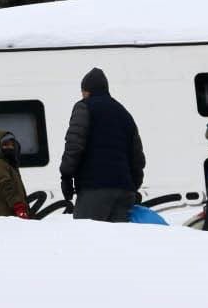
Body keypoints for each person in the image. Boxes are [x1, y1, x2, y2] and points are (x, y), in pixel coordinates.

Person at [59, 68, 146, 222]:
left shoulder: (84, 107)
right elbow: (137, 158)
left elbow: (74, 146)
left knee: (88, 235)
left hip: (94, 190)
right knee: (119, 237)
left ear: (87, 90)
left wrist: (66, 177)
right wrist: (133, 186)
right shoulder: (124, 113)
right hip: (124, 191)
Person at [0, 129, 30, 218]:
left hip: (10, 216)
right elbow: (5, 185)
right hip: (4, 217)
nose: (10, 147)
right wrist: (18, 206)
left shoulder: (8, 165)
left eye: (11, 144)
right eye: (5, 145)